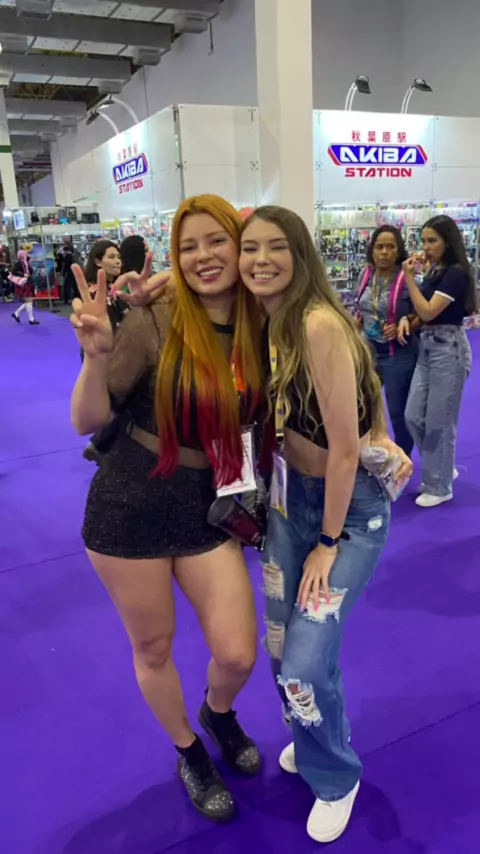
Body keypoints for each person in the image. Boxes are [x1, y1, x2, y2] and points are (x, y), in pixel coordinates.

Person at [70, 195, 266, 823]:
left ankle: (218, 712)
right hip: (129, 504)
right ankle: (189, 750)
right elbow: (87, 419)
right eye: (188, 246)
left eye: (216, 240)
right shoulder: (153, 317)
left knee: (237, 652)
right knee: (153, 646)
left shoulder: (263, 320)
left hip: (209, 507)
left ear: (240, 245)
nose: (203, 256)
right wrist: (97, 355)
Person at [239, 206, 412, 844]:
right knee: (281, 648)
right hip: (289, 504)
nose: (260, 259)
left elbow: (343, 451)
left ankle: (336, 775)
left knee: (306, 661)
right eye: (249, 247)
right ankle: (318, 737)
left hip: (346, 513)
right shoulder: (269, 319)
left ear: (301, 253)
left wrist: (328, 544)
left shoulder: (315, 322)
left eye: (275, 247)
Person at [402, 214, 475, 507]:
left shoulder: (456, 273)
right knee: (413, 416)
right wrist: (408, 320)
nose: (426, 247)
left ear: (447, 241)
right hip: (428, 347)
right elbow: (421, 314)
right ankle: (442, 467)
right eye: (423, 241)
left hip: (449, 349)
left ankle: (440, 485)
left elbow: (429, 311)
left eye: (432, 240)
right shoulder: (436, 270)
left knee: (439, 421)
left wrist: (409, 278)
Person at [356, 226, 419, 455]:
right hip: (368, 352)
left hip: (398, 355)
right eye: (379, 247)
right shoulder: (365, 275)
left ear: (398, 250)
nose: (384, 252)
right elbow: (364, 305)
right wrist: (359, 318)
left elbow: (424, 312)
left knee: (398, 413)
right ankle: (369, 455)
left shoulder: (407, 277)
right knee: (363, 406)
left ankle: (402, 461)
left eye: (390, 247)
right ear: (372, 250)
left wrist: (407, 321)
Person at [11, 249, 39, 326]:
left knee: (29, 301)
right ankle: (31, 319)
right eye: (26, 254)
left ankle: (16, 314)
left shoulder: (26, 263)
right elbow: (14, 271)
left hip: (28, 283)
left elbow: (30, 272)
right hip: (24, 284)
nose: (27, 255)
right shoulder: (19, 263)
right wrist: (23, 274)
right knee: (29, 301)